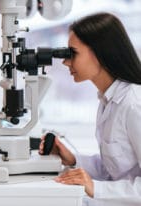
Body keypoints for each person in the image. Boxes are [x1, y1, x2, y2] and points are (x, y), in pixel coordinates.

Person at [39, 12, 141, 206]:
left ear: (100, 52)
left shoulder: (134, 104)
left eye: (72, 53)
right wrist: (72, 159)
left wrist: (96, 188)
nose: (66, 62)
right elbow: (116, 170)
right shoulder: (107, 100)